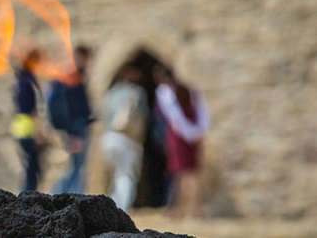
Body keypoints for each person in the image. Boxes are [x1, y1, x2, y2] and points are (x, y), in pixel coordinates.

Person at [155, 67, 211, 218]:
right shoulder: (190, 91)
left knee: (186, 173)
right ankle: (182, 208)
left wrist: (190, 133)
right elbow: (203, 113)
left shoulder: (166, 92)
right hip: (191, 136)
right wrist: (198, 132)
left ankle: (192, 209)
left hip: (180, 136)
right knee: (184, 172)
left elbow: (175, 117)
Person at [100, 64, 149, 211]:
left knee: (114, 175)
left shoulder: (110, 93)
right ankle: (122, 208)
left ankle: (113, 206)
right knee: (126, 175)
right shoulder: (137, 93)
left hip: (108, 138)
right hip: (127, 140)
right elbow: (142, 118)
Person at [47, 45, 94, 195]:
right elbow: (68, 108)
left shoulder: (75, 76)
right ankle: (63, 196)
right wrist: (72, 133)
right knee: (76, 167)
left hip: (77, 127)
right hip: (76, 129)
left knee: (77, 167)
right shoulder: (72, 78)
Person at [10, 48, 45, 192]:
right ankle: (27, 197)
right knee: (32, 169)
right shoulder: (28, 81)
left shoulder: (20, 80)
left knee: (30, 168)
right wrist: (39, 132)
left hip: (20, 126)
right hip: (27, 128)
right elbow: (32, 109)